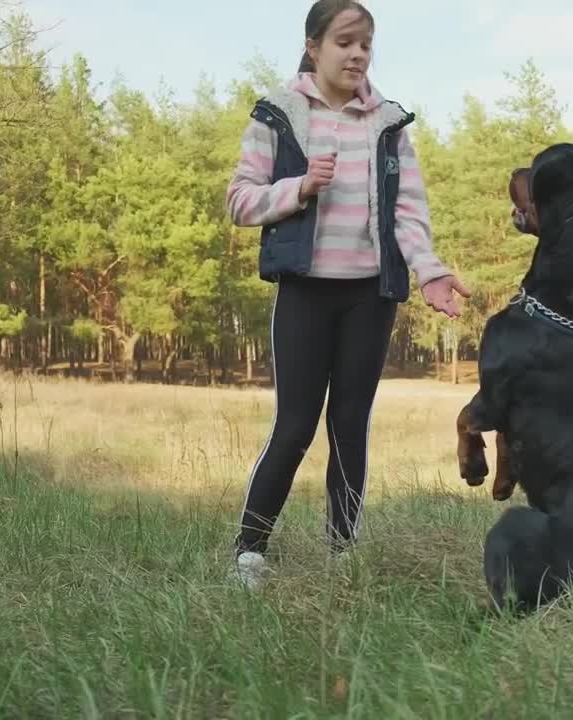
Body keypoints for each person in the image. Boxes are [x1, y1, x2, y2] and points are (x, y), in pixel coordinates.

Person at [224, 0, 470, 588]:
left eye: (366, 44)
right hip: (305, 292)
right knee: (295, 425)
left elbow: (409, 212)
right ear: (313, 46)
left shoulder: (388, 123)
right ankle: (249, 554)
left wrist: (430, 270)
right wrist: (299, 187)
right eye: (345, 42)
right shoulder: (278, 114)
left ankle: (342, 554)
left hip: (370, 296)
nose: (358, 54)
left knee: (350, 424)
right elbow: (239, 200)